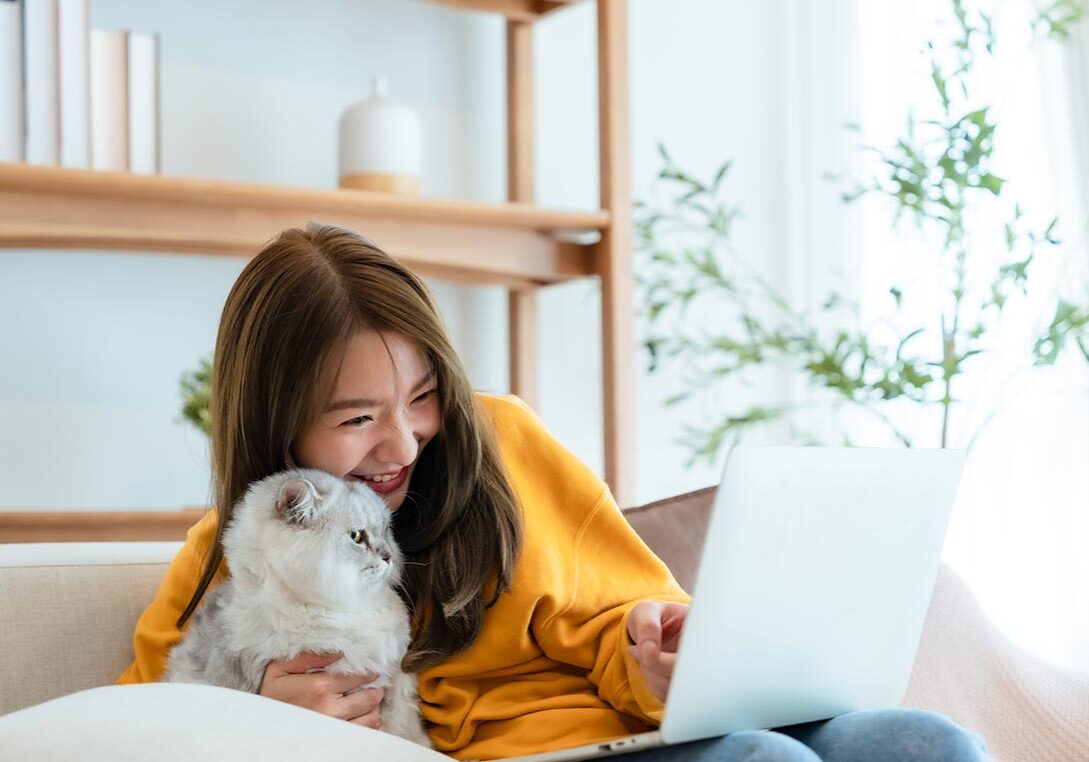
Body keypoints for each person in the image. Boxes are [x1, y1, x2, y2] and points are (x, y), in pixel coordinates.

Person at [118, 223, 991, 761]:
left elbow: (622, 612)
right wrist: (257, 719)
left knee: (925, 743)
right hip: (522, 758)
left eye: (422, 398)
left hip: (632, 728)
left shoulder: (502, 441)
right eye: (355, 420)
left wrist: (651, 648)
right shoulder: (232, 556)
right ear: (276, 423)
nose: (402, 442)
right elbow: (137, 727)